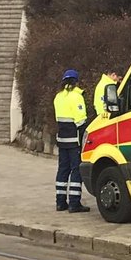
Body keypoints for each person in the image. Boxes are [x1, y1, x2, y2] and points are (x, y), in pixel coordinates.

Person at [54, 69, 90, 213]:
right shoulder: (77, 97)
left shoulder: (58, 97)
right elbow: (81, 121)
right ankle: (74, 203)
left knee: (63, 170)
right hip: (75, 140)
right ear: (76, 82)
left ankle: (60, 202)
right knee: (76, 170)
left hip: (62, 139)